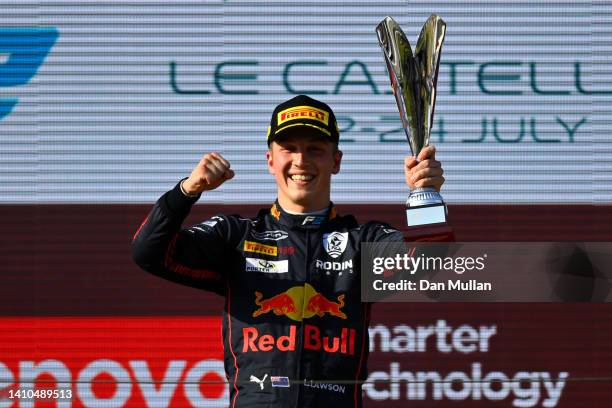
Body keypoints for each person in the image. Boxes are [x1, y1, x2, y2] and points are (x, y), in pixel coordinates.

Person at [131, 95, 444, 408]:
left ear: (336, 161)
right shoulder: (237, 237)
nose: (301, 161)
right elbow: (149, 252)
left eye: (315, 149)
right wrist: (187, 191)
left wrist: (425, 198)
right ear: (270, 160)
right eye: (289, 149)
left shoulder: (363, 242)